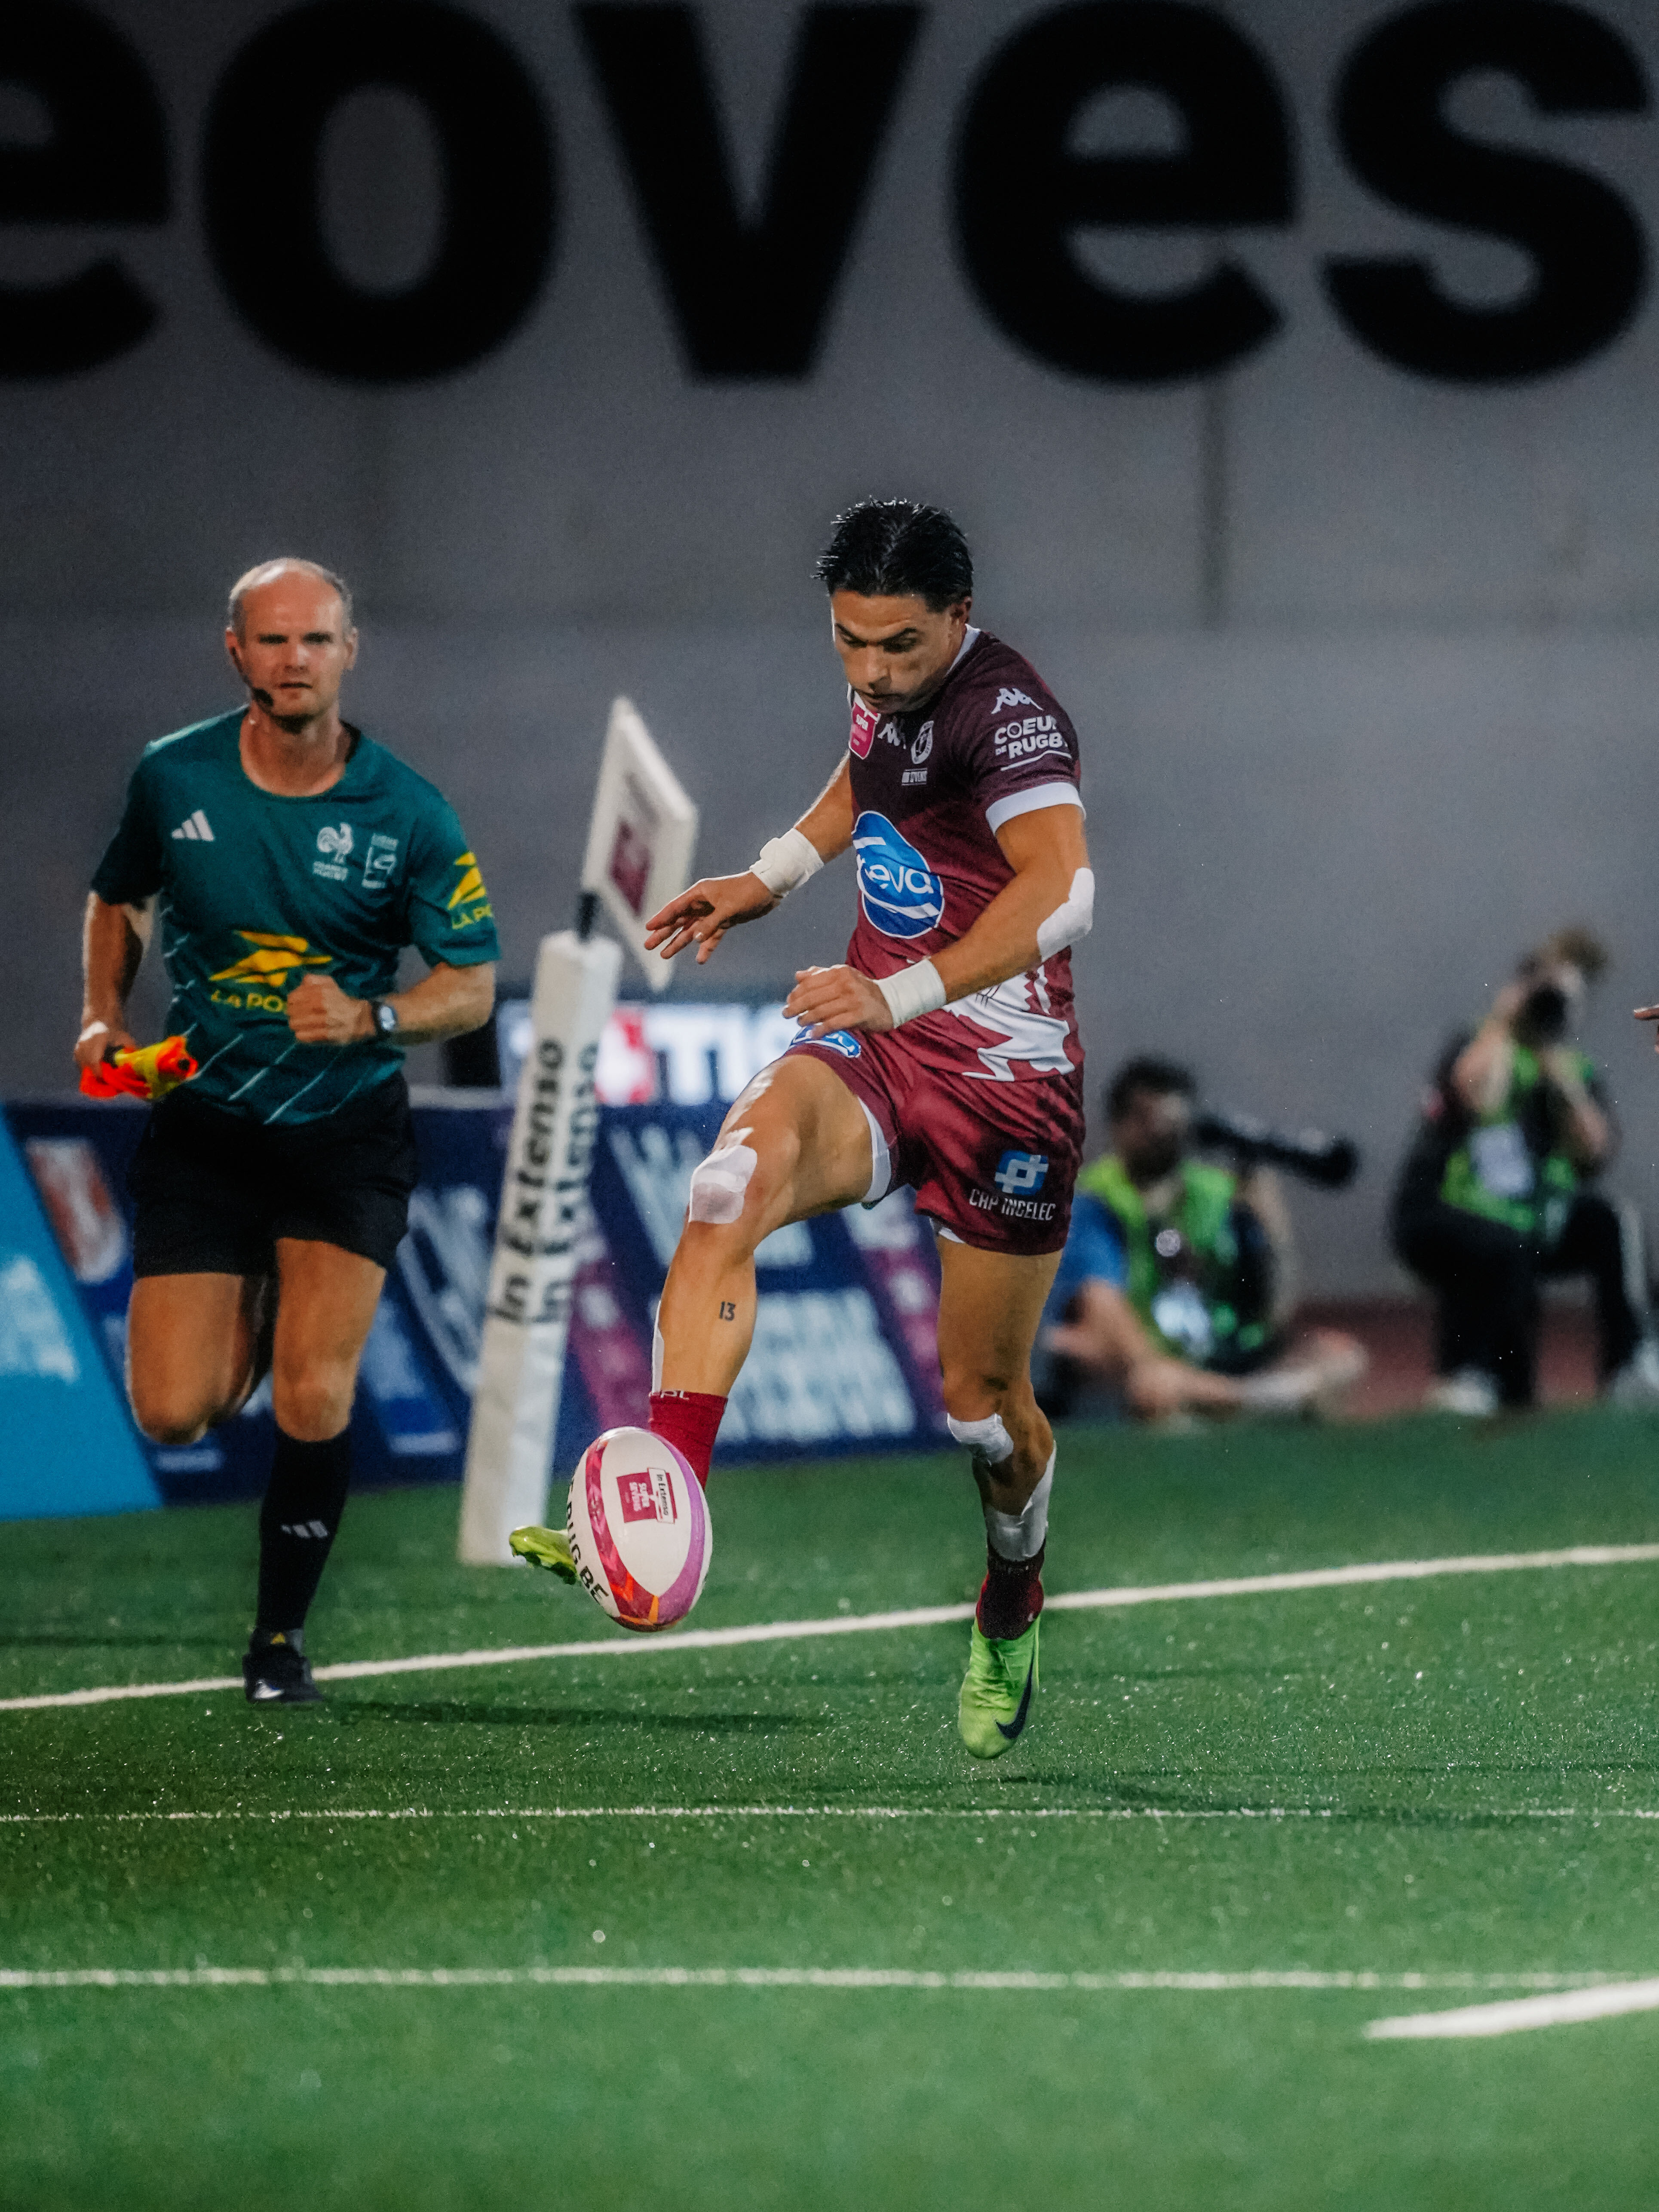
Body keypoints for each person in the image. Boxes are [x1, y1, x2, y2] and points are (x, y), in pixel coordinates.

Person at [517, 498, 1092, 1759]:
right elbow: (864, 777)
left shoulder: (1008, 713)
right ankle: (663, 1488)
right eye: (848, 643)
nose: (873, 670)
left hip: (1007, 1087)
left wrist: (895, 987)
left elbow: (1062, 891)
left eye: (898, 645)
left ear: (958, 613)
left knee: (980, 1411)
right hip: (876, 1049)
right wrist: (769, 874)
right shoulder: (885, 684)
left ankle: (1010, 1589)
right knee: (726, 1185)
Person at [77, 558, 499, 1703]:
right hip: (207, 1123)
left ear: (348, 651)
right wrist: (103, 1013)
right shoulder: (176, 777)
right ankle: (257, 1291)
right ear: (236, 653)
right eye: (271, 641)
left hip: (343, 1128)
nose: (293, 660)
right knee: (176, 1411)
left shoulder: (408, 811)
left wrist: (376, 1014)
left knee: (314, 1394)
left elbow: (470, 984)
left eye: (315, 640)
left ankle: (277, 1643)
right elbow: (118, 897)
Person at [1392, 929, 1659, 1415]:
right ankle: (1469, 1376)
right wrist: (1506, 1021)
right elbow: (1477, 1097)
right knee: (1501, 1251)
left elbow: (1594, 1153)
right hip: (1457, 1209)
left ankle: (1629, 1366)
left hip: (1532, 1214)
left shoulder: (1570, 1068)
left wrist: (1558, 1074)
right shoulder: (1479, 1044)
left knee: (1612, 1222)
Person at [1040, 1057, 1365, 1421]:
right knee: (1124, 1368)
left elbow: (1270, 1314)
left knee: (1341, 1355)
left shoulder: (1215, 1192)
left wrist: (1269, 1227)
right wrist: (1149, 1364)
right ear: (1120, 1125)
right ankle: (1263, 1403)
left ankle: (1231, 1402)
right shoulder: (1096, 1198)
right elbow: (1102, 1304)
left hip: (1213, 1351)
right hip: (1146, 1357)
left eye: (1172, 1119)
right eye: (1148, 1120)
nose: (1162, 1133)